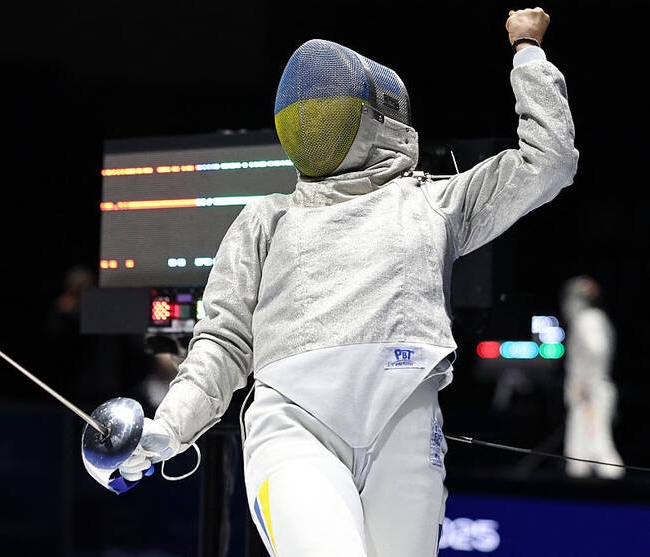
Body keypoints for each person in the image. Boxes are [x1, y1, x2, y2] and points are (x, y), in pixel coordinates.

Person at [115, 7, 578, 556]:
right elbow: (222, 341)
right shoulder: (268, 219)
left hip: (405, 431)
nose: (312, 119)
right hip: (293, 429)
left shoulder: (435, 203)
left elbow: (549, 161)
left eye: (326, 108)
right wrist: (169, 426)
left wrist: (528, 54)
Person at [560, 275, 625, 479]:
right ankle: (575, 496)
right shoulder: (595, 318)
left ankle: (621, 492)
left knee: (598, 447)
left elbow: (597, 350)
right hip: (588, 393)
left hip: (590, 394)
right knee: (577, 452)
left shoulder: (588, 319)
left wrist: (586, 384)